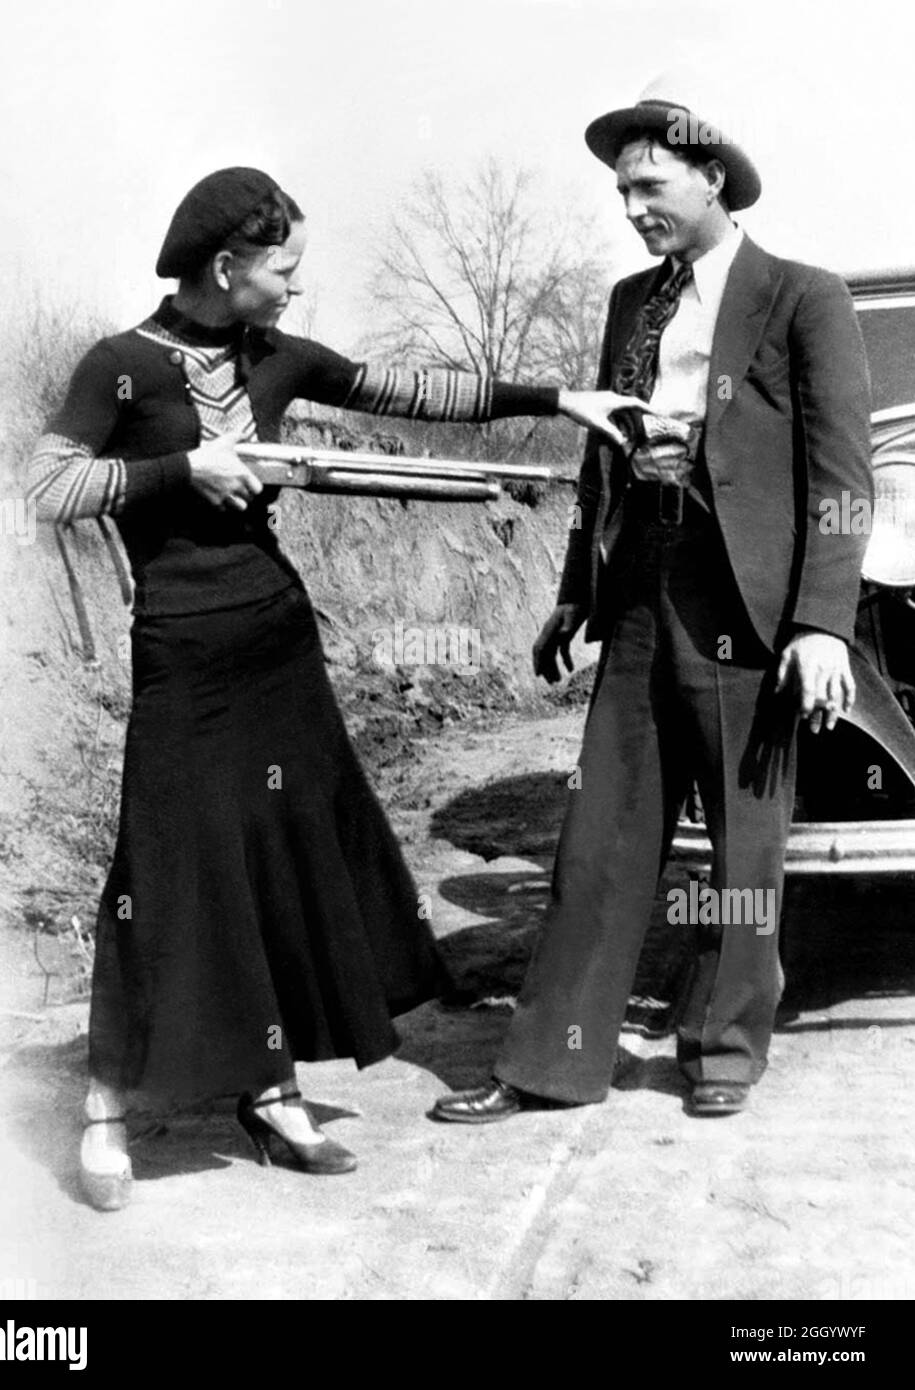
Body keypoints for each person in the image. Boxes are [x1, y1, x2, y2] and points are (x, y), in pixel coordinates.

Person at [27, 166, 645, 1207]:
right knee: (165, 868)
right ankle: (105, 1107)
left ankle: (269, 1089)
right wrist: (180, 471)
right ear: (226, 265)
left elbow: (412, 390)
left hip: (276, 644)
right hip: (181, 653)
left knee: (283, 858)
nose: (294, 289)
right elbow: (47, 486)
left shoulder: (276, 358)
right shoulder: (121, 366)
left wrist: (561, 399)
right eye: (283, 269)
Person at [431, 75, 873, 1125]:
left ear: (712, 176)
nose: (631, 208)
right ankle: (552, 1061)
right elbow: (602, 458)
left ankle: (722, 1047)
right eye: (620, 193)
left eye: (649, 184)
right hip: (640, 591)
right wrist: (574, 590)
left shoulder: (801, 296)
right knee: (599, 839)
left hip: (748, 605)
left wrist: (819, 622)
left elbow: (840, 476)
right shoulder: (633, 303)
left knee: (741, 842)